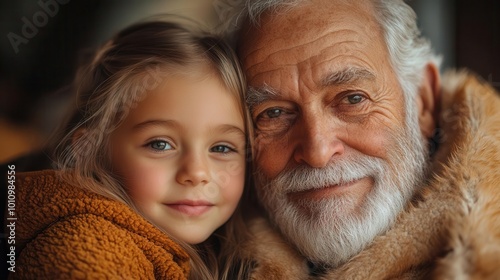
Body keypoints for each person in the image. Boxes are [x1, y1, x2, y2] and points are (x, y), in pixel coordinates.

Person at [233, 0, 500, 278]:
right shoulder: (203, 256)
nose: (318, 152)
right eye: (273, 113)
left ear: (423, 101)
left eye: (353, 98)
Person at [10, 20, 253, 279]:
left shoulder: (244, 245)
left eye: (222, 147)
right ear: (87, 150)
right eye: (160, 144)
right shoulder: (91, 246)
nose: (197, 172)